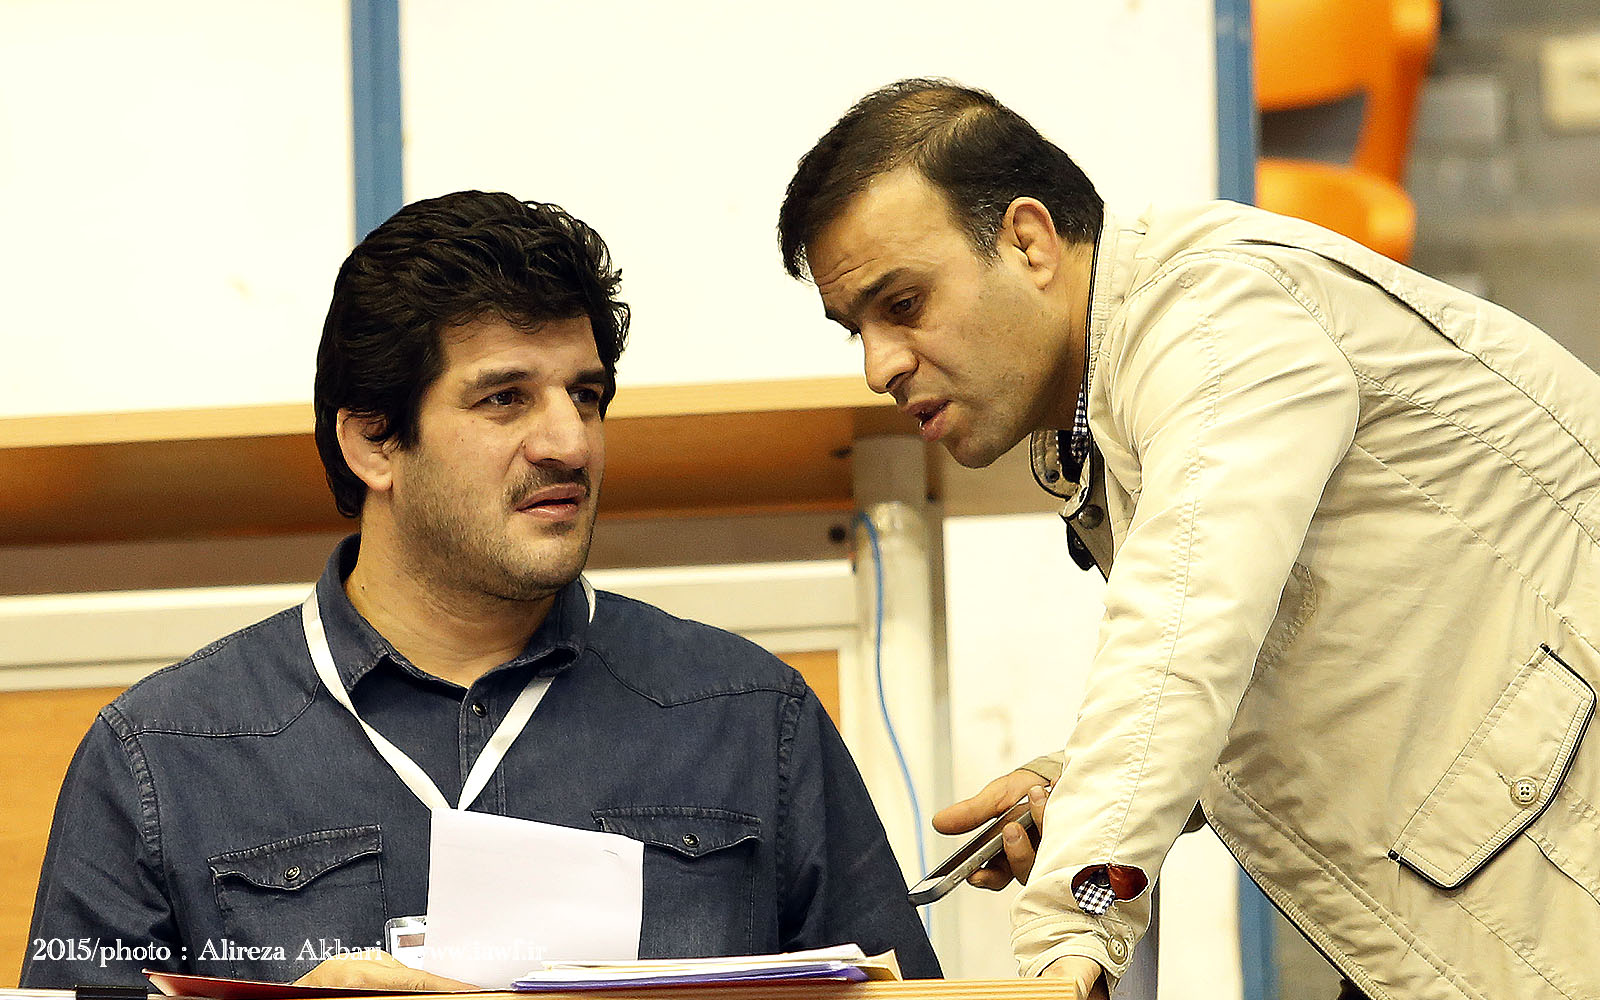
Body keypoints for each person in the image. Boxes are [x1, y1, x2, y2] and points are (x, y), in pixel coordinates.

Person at [776, 79, 1600, 1000]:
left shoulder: (1216, 316)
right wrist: (1081, 788)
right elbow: (1255, 652)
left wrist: (1069, 935)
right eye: (855, 329)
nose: (879, 365)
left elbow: (1184, 634)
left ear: (1029, 242)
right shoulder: (1107, 401)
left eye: (903, 304)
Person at [23, 190, 939, 989]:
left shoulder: (750, 719)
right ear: (374, 442)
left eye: (586, 396)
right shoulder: (160, 758)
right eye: (505, 398)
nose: (569, 444)